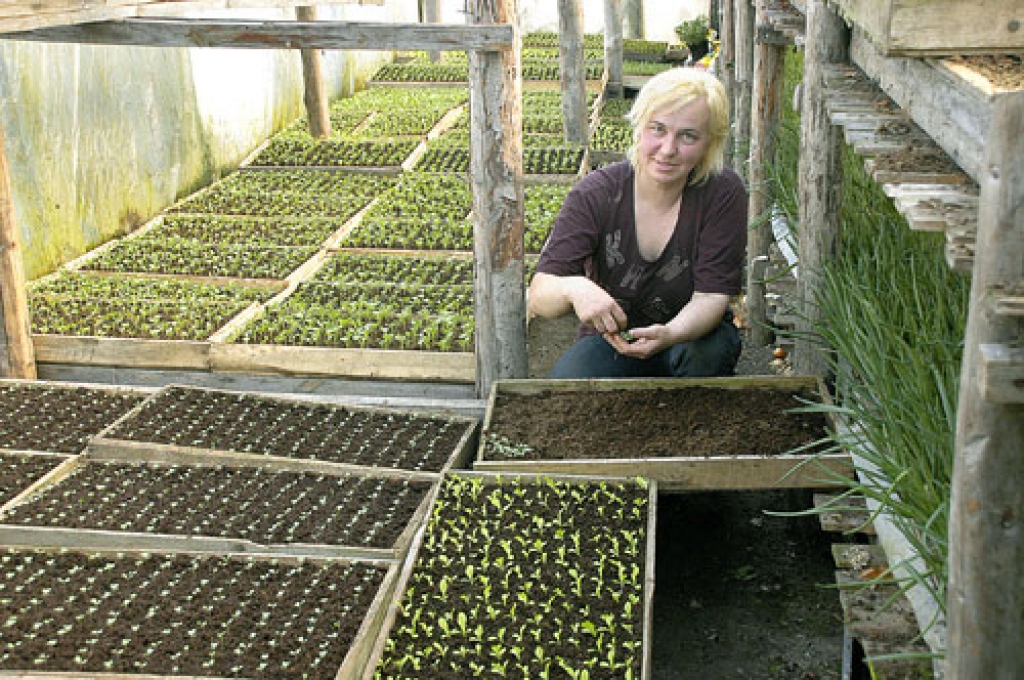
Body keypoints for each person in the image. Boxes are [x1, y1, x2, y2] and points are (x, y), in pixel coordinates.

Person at [528, 67, 747, 379]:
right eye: (657, 129)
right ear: (639, 127)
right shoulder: (596, 194)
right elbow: (540, 294)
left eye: (688, 136)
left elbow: (712, 296)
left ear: (709, 144)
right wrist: (573, 287)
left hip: (692, 335)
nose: (668, 149)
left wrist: (670, 334)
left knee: (702, 358)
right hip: (614, 338)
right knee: (570, 381)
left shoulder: (722, 193)